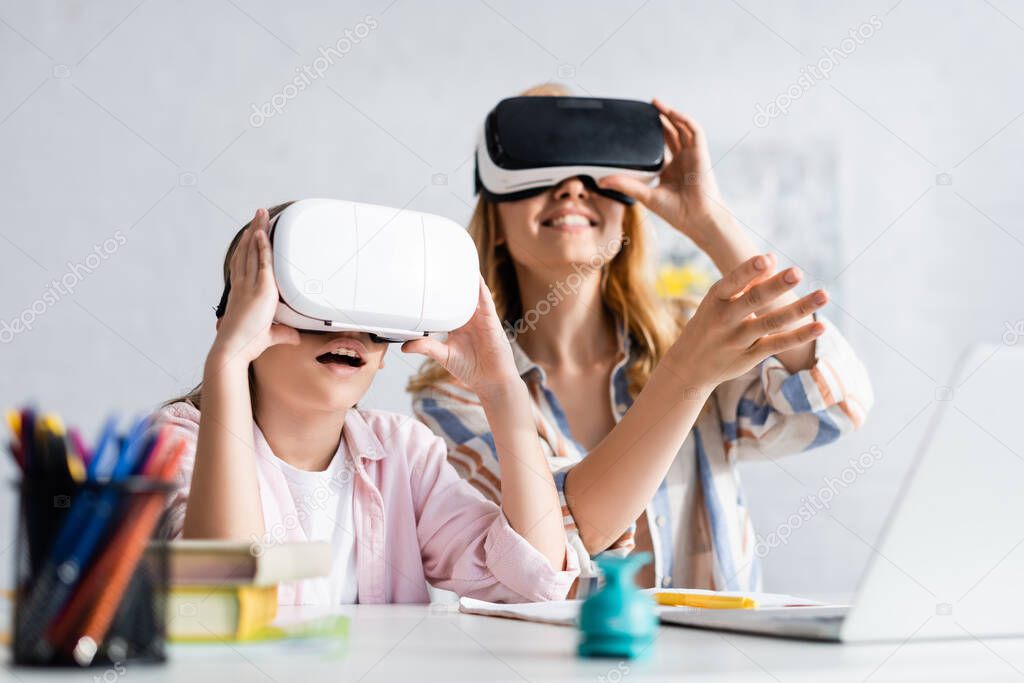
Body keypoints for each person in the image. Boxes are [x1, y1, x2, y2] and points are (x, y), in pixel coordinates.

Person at [409, 85, 873, 594]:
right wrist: (685, 378)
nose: (571, 188)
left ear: (627, 212)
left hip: (713, 665)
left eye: (593, 169)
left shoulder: (692, 338)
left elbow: (835, 407)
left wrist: (711, 222)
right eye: (541, 166)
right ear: (494, 220)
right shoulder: (460, 388)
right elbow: (552, 547)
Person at [158, 202, 579, 604]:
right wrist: (228, 363)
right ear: (243, 317)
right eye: (319, 301)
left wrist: (502, 389)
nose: (352, 331)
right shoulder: (175, 444)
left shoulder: (402, 454)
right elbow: (221, 595)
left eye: (374, 317)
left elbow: (535, 583)